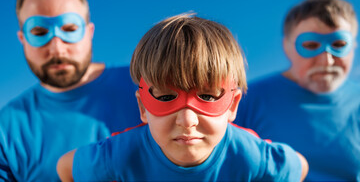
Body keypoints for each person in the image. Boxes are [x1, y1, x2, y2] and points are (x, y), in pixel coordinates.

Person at [57, 13, 308, 181]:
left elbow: (299, 166)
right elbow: (65, 167)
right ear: (143, 107)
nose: (187, 120)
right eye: (166, 97)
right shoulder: (119, 155)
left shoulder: (251, 156)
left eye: (208, 97)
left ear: (232, 105)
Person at [0, 0, 142, 181]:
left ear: (89, 31)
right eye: (39, 32)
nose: (57, 48)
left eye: (69, 29)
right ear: (23, 39)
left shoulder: (150, 85)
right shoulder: (6, 130)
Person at [234, 0, 360, 181]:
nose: (327, 60)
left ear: (353, 46)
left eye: (338, 45)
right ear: (287, 47)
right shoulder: (244, 100)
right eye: (311, 45)